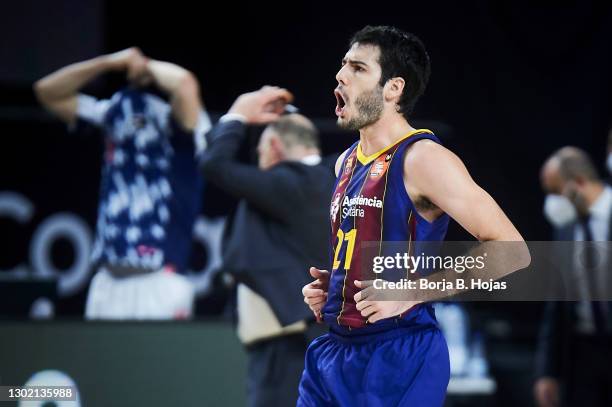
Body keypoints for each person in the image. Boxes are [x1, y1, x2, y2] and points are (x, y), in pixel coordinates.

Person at [299, 25, 527, 406]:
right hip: (333, 350)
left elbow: (512, 251)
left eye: (357, 68)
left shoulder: (424, 158)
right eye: (343, 65)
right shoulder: (345, 162)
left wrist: (410, 292)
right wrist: (335, 288)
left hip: (399, 352)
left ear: (394, 88)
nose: (340, 75)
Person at [34, 47, 211, 319]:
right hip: (108, 279)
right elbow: (47, 91)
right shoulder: (112, 114)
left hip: (161, 278)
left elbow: (184, 84)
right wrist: (108, 63)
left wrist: (144, 65)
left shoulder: (184, 126)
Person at [199, 87, 336, 407]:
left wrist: (237, 114)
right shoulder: (331, 177)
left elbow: (215, 166)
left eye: (260, 155)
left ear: (273, 148)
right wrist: (289, 117)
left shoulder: (292, 182)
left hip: (289, 351)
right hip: (311, 342)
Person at [535, 147, 612, 407]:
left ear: (579, 183)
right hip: (583, 354)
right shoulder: (565, 229)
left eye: (556, 192)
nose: (552, 203)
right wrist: (547, 372)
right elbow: (555, 306)